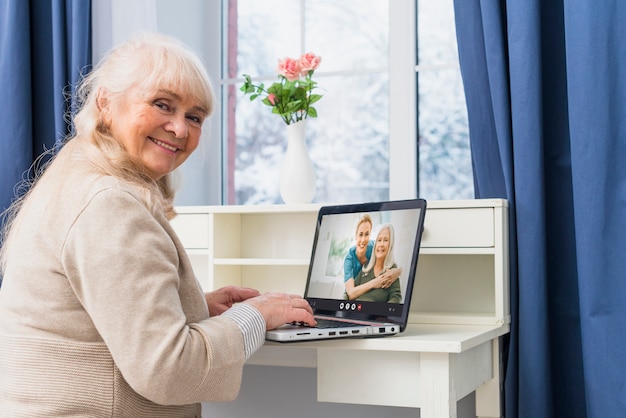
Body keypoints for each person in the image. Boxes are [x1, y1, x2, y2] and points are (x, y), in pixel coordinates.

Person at [0, 34, 315, 417]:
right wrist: (256, 315)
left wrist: (193, 307)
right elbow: (169, 371)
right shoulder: (110, 204)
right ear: (105, 103)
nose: (180, 129)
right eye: (162, 105)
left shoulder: (76, 174)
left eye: (194, 117)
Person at [343, 215, 401, 300]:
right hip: (354, 291)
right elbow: (350, 293)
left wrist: (398, 271)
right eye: (360, 234)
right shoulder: (349, 260)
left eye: (367, 234)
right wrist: (376, 282)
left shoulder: (375, 247)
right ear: (355, 236)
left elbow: (395, 296)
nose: (363, 240)